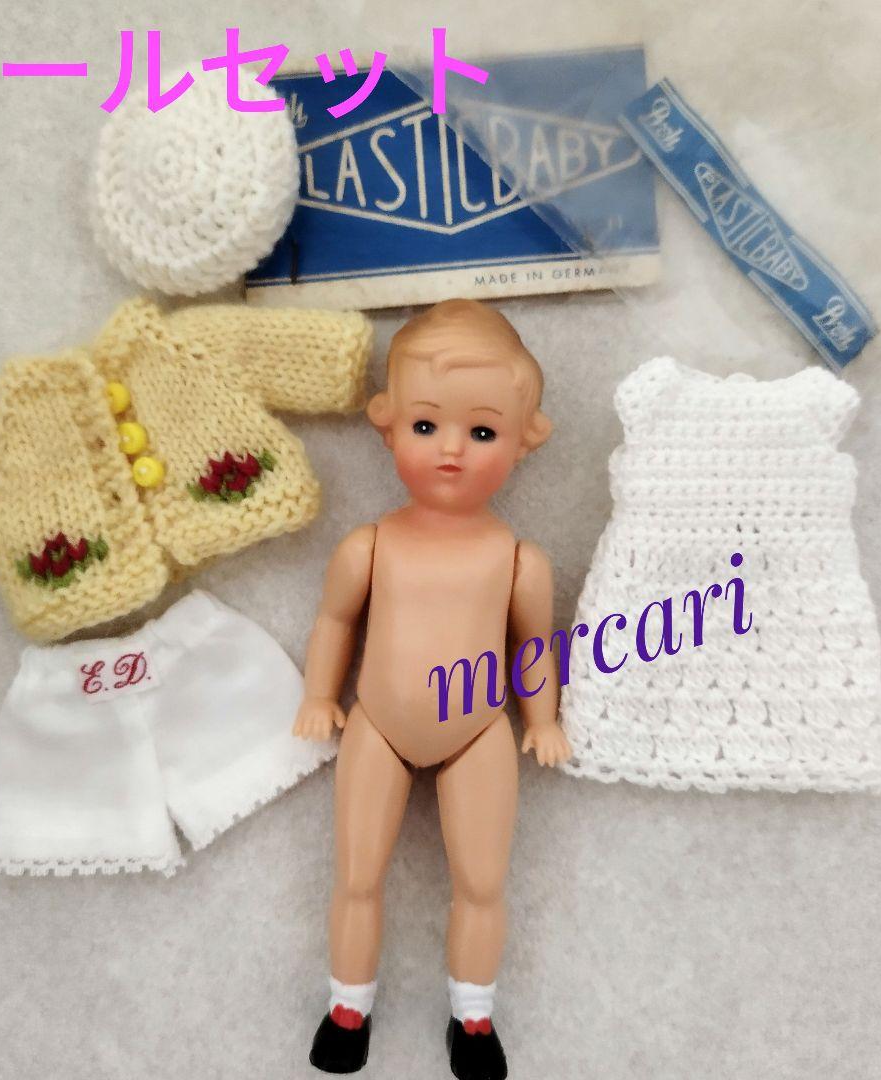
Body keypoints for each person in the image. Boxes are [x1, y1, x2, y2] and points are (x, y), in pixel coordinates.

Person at [294, 299, 571, 1080]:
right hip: (378, 725)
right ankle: (347, 1008)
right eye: (426, 425)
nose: (451, 449)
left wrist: (542, 717)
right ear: (388, 427)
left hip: (478, 731)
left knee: (482, 881)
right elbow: (334, 621)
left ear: (524, 440)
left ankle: (473, 1016)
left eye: (482, 432)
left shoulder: (518, 560)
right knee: (358, 874)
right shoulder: (370, 545)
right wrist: (319, 695)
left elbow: (533, 646)